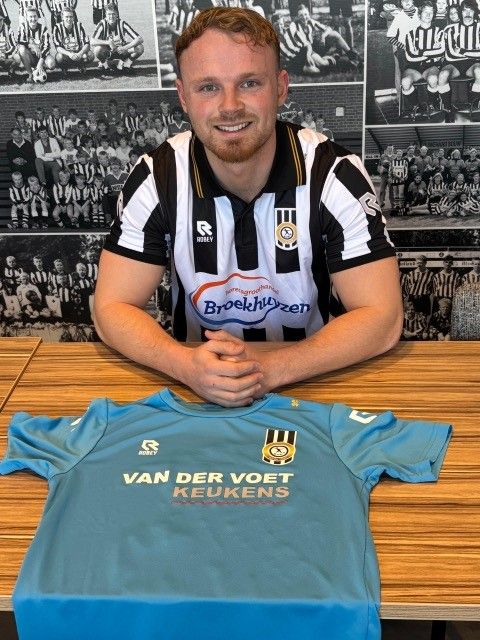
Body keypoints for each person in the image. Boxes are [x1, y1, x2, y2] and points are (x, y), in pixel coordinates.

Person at [94, 7, 402, 407]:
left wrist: (267, 370)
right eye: (208, 87)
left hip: (313, 385)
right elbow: (111, 308)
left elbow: (383, 317)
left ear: (281, 88)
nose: (230, 106)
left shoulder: (334, 173)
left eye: (249, 83)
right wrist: (184, 364)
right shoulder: (157, 176)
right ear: (183, 97)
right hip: (196, 388)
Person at [91, 3, 144, 73]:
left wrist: (125, 47)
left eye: (113, 14)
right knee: (97, 50)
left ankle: (126, 65)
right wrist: (108, 42)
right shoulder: (102, 24)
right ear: (105, 15)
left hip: (122, 51)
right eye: (109, 14)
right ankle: (106, 66)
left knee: (140, 48)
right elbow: (92, 41)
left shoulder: (122, 23)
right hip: (108, 51)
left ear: (117, 14)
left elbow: (139, 39)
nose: (111, 16)